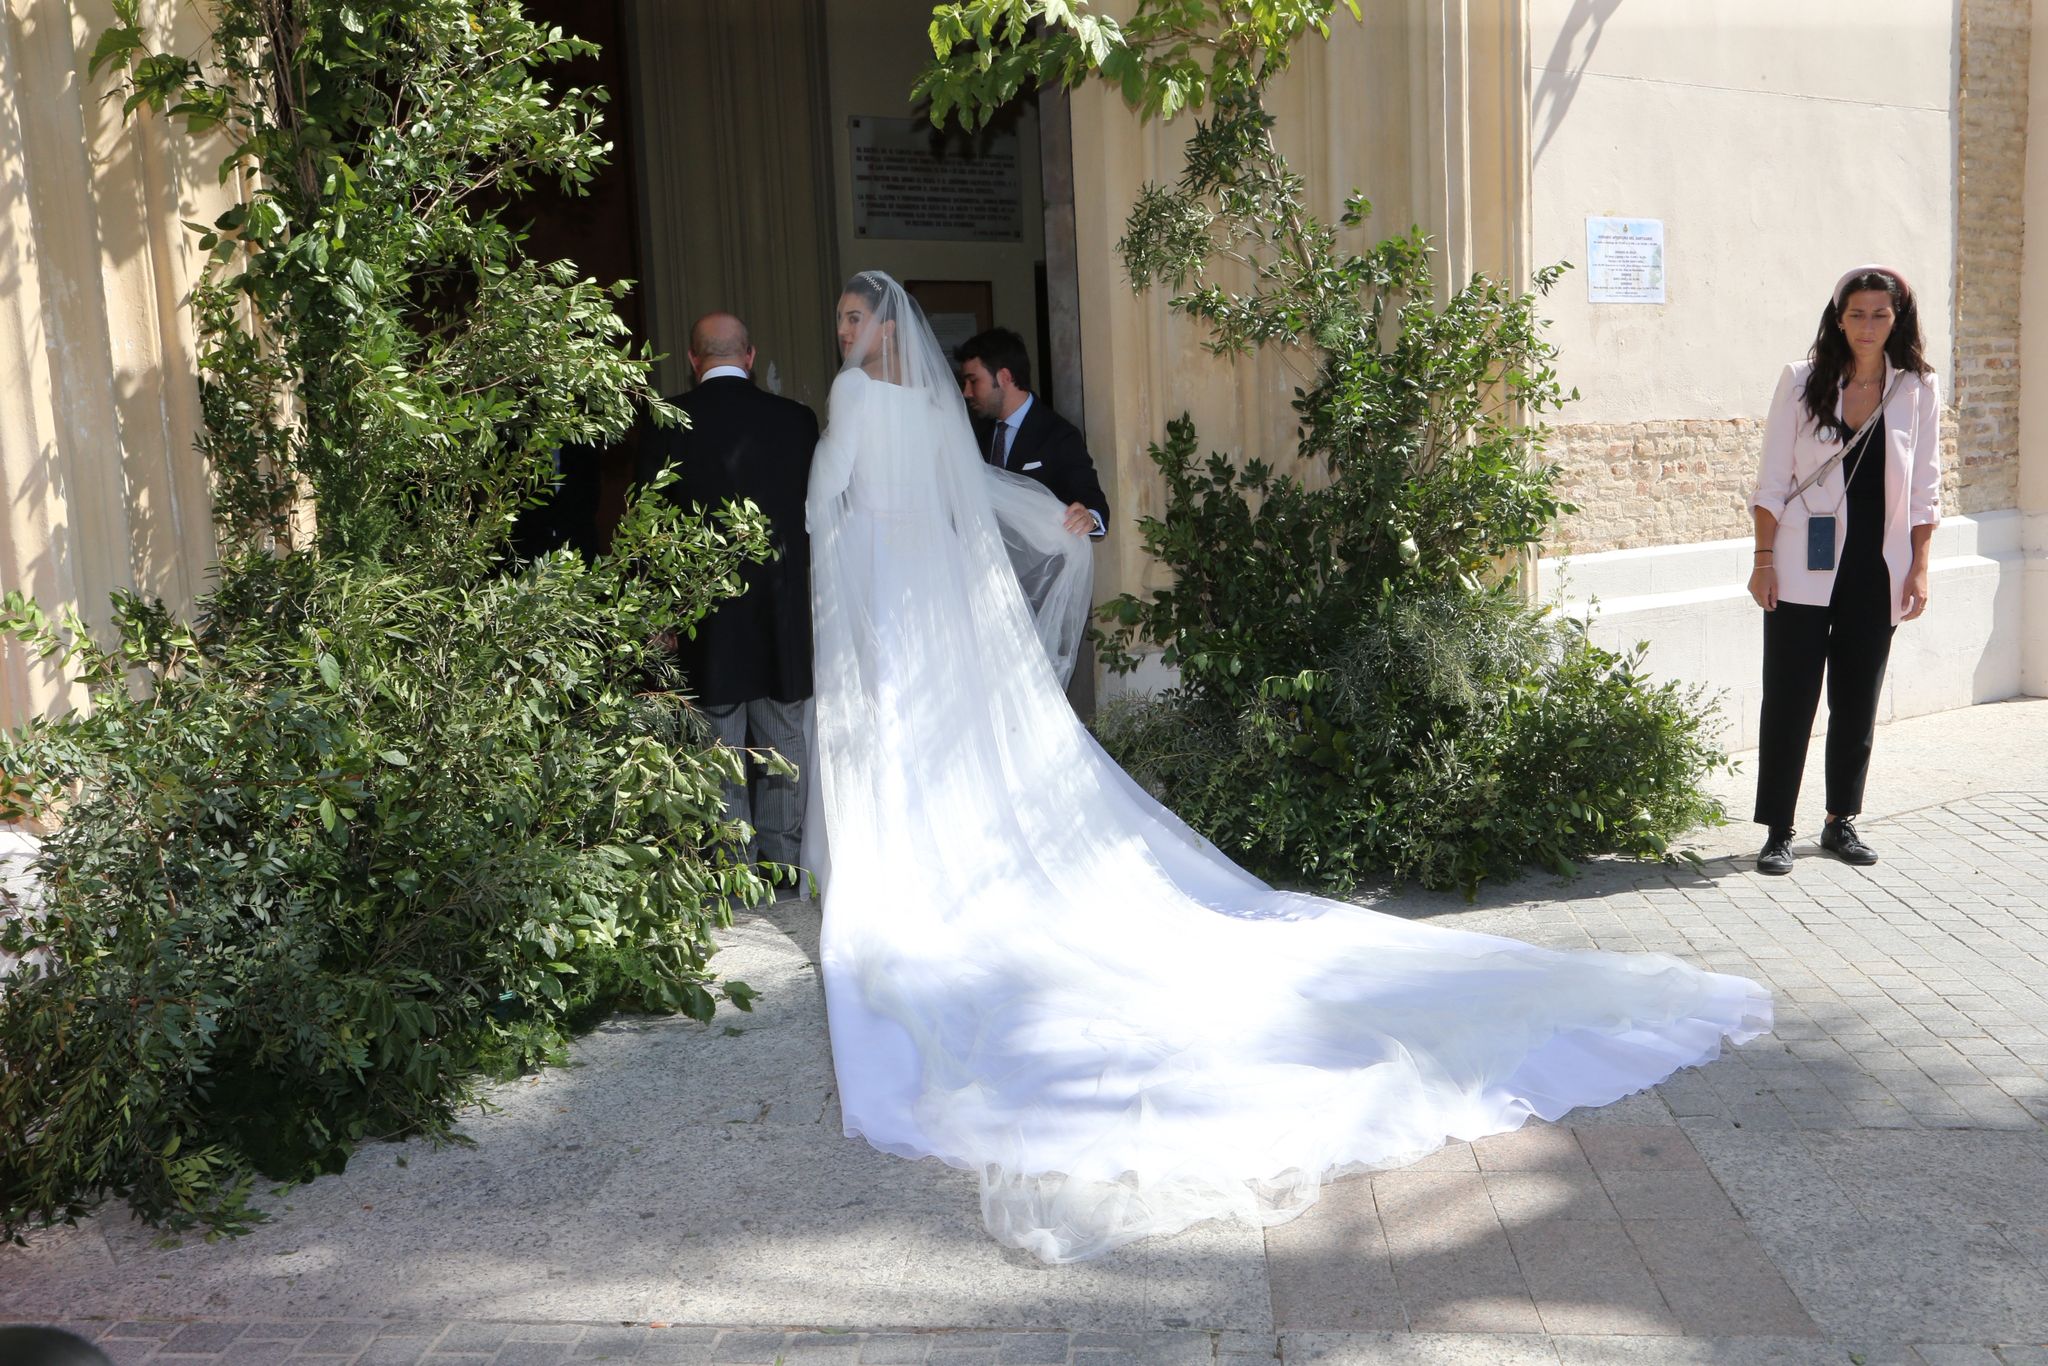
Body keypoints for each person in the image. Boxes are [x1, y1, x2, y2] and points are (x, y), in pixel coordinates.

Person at [802, 270, 1770, 1264]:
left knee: (911, 746)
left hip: (896, 606)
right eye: (837, 317)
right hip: (929, 608)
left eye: (850, 315)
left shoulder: (857, 401)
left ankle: (917, 871)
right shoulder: (925, 409)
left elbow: (834, 510)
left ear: (884, 327)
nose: (840, 330)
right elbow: (965, 510)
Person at [1746, 265, 1941, 876]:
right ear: (1838, 317)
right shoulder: (1803, 381)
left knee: (1856, 699)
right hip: (1803, 566)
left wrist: (1919, 569)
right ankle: (1779, 828)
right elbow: (1772, 479)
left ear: (1898, 319)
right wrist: (1763, 560)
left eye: (1880, 314)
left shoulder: (1916, 388)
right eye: (1856, 313)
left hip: (1877, 570)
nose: (1867, 325)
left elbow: (1927, 489)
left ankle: (1840, 822)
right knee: (1789, 697)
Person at [639, 312, 818, 878]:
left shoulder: (664, 423)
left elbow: (648, 525)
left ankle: (734, 869)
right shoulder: (797, 421)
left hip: (704, 617)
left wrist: (656, 612)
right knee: (784, 743)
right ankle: (784, 864)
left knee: (718, 747)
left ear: (694, 360)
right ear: (749, 355)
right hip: (780, 614)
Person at [958, 327, 1110, 539]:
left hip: (1043, 569)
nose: (966, 392)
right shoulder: (974, 432)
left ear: (1004, 377)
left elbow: (1093, 502)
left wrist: (1089, 518)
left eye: (973, 381)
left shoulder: (1059, 434)